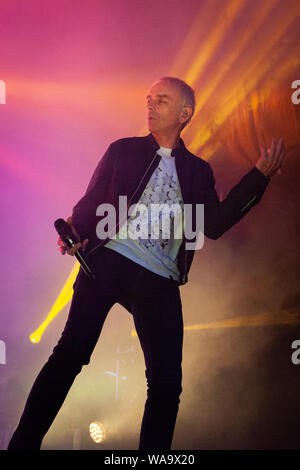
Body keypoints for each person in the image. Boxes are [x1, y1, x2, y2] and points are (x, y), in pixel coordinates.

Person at [7, 77, 285, 450]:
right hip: (111, 260)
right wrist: (77, 231)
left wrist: (258, 178)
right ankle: (22, 445)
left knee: (168, 384)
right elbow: (91, 201)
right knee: (71, 353)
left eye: (162, 101)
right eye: (149, 99)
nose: (151, 106)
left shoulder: (197, 171)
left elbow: (215, 224)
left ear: (185, 114)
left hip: (160, 278)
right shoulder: (123, 150)